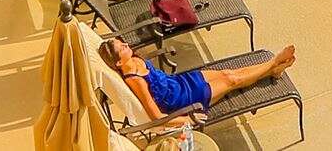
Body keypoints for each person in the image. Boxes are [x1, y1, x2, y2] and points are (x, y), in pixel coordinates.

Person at [104, 40, 296, 121]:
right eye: (122, 47)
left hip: (179, 82)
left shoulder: (134, 59)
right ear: (119, 62)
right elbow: (156, 116)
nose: (126, 44)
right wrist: (186, 119)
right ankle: (274, 62)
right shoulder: (134, 80)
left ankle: (273, 70)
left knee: (228, 72)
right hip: (182, 99)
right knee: (232, 79)